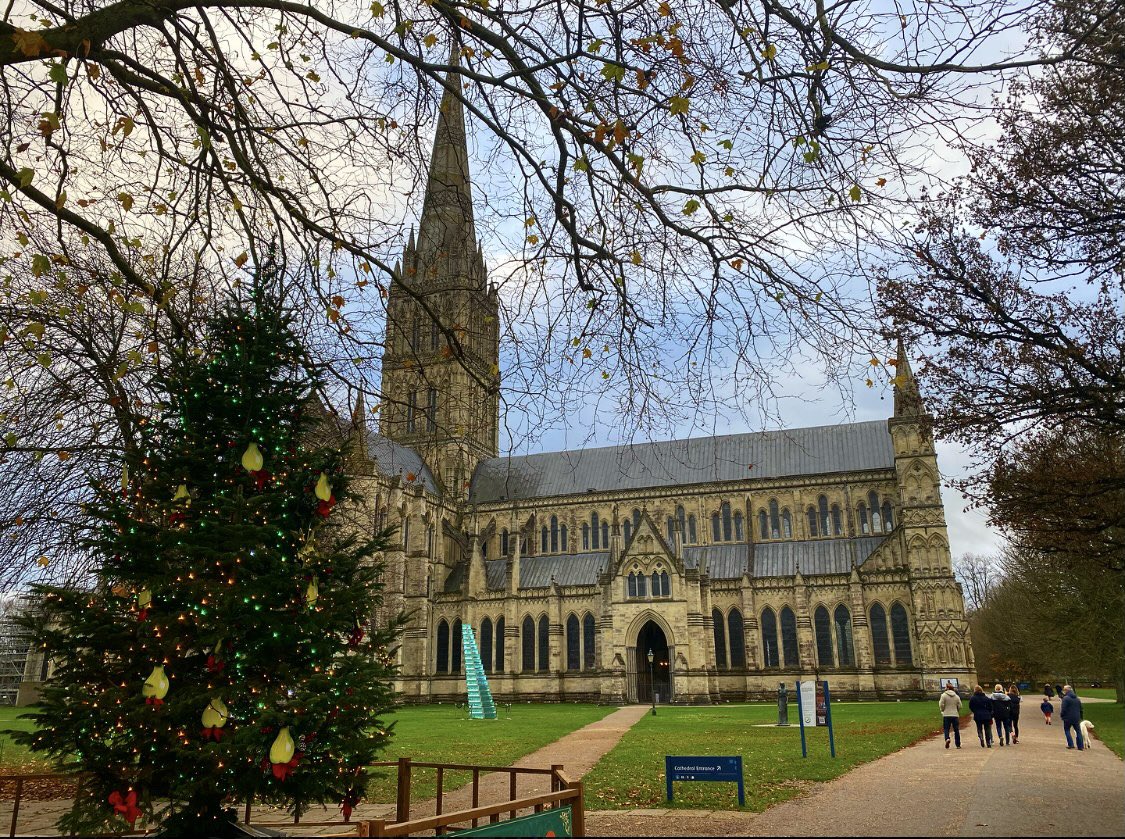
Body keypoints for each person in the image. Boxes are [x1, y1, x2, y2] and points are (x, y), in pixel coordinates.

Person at [1060, 684, 1085, 750]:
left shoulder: (1065, 698)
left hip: (1067, 717)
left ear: (1066, 690)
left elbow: (1063, 708)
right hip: (1076, 717)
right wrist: (1081, 717)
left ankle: (1070, 744)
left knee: (1067, 730)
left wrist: (1062, 715)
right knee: (1078, 731)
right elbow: (1081, 709)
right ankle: (1080, 746)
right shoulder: (1077, 699)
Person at [939, 681, 962, 748]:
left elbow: (941, 704)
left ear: (947, 688)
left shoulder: (943, 695)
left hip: (946, 714)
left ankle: (947, 738)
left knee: (946, 728)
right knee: (956, 730)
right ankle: (958, 744)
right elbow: (960, 706)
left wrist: (943, 710)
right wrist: (957, 710)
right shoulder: (956, 696)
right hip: (955, 714)